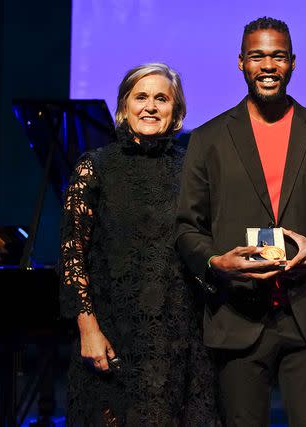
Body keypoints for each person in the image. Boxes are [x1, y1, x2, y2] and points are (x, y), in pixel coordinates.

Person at [175, 17, 306, 427]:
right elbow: (187, 228)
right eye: (258, 56)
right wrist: (215, 263)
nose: (267, 65)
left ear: (293, 63)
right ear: (241, 62)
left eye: (277, 56)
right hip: (238, 316)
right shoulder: (207, 139)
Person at [59, 63, 217, 426]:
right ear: (123, 107)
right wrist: (89, 330)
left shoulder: (193, 169)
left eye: (161, 98)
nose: (150, 106)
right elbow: (72, 256)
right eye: (140, 97)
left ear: (176, 112)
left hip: (181, 342)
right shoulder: (93, 168)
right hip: (114, 337)